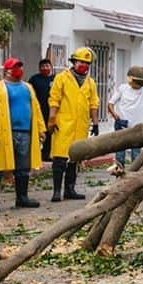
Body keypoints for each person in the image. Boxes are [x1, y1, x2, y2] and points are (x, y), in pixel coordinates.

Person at [0, 58, 45, 211]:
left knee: (23, 168)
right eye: (15, 67)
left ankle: (22, 198)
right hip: (5, 133)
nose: (19, 70)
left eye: (20, 67)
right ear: (7, 70)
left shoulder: (28, 87)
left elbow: (36, 109)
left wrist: (41, 129)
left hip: (25, 133)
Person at [47, 47, 99, 202]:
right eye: (81, 62)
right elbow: (54, 99)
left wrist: (95, 123)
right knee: (60, 158)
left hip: (80, 126)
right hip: (63, 124)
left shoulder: (90, 83)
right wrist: (52, 118)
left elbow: (93, 104)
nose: (84, 65)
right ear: (74, 62)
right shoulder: (62, 78)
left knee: (75, 159)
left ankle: (70, 189)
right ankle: (57, 191)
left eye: (87, 63)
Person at [107, 76, 143, 166]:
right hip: (122, 123)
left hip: (137, 127)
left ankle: (134, 176)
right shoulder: (123, 88)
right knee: (120, 153)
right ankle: (119, 174)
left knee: (136, 155)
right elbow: (110, 103)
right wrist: (114, 115)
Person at [28, 59, 54, 160]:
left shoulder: (55, 79)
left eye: (47, 66)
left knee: (50, 133)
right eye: (43, 66)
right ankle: (35, 154)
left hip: (51, 111)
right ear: (39, 68)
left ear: (51, 67)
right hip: (38, 110)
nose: (45, 68)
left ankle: (47, 154)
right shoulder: (34, 79)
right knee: (37, 133)